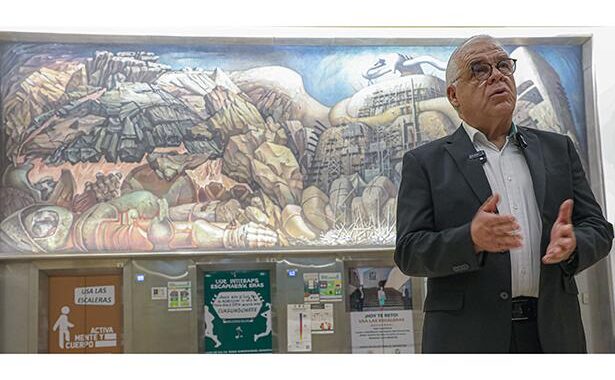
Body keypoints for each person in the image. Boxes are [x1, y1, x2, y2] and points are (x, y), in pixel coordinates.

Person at [394, 35, 613, 353]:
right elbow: (409, 252)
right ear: (454, 95)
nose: (497, 75)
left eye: (503, 66)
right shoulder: (425, 162)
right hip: (466, 340)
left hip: (553, 335)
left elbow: (600, 230)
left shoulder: (557, 149)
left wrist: (575, 244)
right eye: (479, 69)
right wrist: (470, 239)